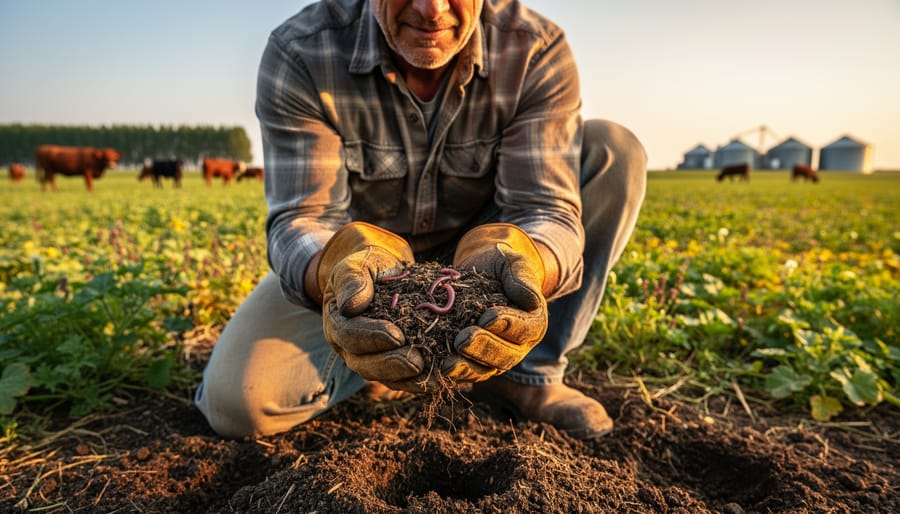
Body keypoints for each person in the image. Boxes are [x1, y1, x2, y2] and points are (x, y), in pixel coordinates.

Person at [195, 0, 646, 440]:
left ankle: (526, 373)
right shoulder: (304, 51)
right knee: (239, 403)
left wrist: (521, 259)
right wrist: (338, 272)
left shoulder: (532, 49)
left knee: (612, 152)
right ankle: (369, 359)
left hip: (483, 260)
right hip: (364, 272)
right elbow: (302, 218)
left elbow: (545, 210)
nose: (432, 10)